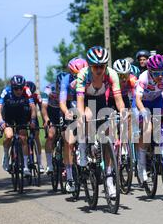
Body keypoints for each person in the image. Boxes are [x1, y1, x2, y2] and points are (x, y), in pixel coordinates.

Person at [76, 46, 125, 199]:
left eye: (102, 66)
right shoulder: (83, 75)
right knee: (85, 118)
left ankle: (109, 178)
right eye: (96, 66)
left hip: (101, 101)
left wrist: (123, 113)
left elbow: (118, 99)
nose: (99, 69)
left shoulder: (112, 74)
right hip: (87, 101)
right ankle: (83, 154)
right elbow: (80, 100)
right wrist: (81, 115)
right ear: (90, 65)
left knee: (110, 128)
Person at [134, 54, 163, 182]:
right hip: (142, 103)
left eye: (162, 73)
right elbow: (137, 99)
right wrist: (143, 111)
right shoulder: (143, 78)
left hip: (156, 100)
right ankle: (141, 165)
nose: (160, 76)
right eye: (156, 74)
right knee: (147, 130)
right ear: (150, 72)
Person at [0, 75, 37, 176]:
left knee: (23, 138)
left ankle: (25, 168)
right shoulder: (6, 91)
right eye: (16, 88)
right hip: (8, 115)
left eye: (20, 88)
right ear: (12, 87)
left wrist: (32, 120)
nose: (19, 91)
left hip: (21, 114)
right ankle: (6, 156)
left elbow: (33, 107)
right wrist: (1, 122)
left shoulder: (27, 90)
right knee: (9, 136)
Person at [60, 57, 88, 193]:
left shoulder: (90, 75)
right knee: (69, 142)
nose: (78, 77)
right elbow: (62, 102)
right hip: (70, 109)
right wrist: (67, 113)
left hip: (85, 106)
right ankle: (70, 176)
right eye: (75, 75)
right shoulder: (65, 80)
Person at [41, 72, 65, 175]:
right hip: (51, 111)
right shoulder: (48, 88)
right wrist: (46, 119)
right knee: (51, 135)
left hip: (62, 111)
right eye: (59, 86)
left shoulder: (68, 87)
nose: (61, 88)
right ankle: (50, 164)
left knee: (67, 135)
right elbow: (43, 107)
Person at [25, 80, 46, 174]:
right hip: (23, 116)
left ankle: (40, 163)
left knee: (36, 137)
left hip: (33, 118)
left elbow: (42, 109)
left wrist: (45, 120)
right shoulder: (23, 94)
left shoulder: (36, 96)